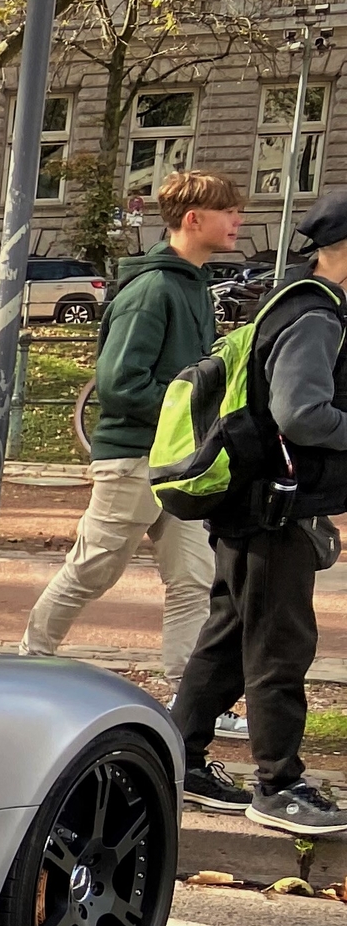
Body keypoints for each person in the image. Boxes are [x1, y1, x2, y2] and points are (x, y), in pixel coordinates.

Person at [168, 189, 347, 837]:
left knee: (228, 638)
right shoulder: (318, 315)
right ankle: (280, 785)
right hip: (274, 508)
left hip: (252, 502)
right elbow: (300, 412)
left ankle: (180, 756)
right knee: (280, 644)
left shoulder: (290, 300)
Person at [22, 170, 243, 682]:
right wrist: (191, 417)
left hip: (176, 461)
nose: (238, 220)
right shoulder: (153, 291)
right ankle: (29, 661)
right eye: (228, 211)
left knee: (193, 577)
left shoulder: (190, 285)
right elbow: (120, 383)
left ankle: (186, 695)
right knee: (93, 568)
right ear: (193, 219)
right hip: (135, 460)